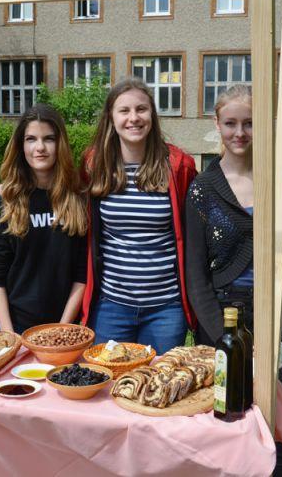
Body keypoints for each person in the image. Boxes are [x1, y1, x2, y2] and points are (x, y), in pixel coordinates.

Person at [184, 85, 282, 476]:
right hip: (222, 323)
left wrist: (281, 332)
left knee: (277, 427)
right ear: (216, 124)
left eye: (250, 123)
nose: (240, 132)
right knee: (224, 422)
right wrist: (224, 338)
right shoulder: (203, 190)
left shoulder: (281, 185)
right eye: (232, 123)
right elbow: (196, 275)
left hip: (272, 322)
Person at [81, 78, 198, 355]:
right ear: (111, 116)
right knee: (107, 384)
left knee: (160, 387)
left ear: (152, 115)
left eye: (141, 109)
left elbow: (197, 221)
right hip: (111, 306)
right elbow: (62, 197)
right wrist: (12, 190)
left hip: (166, 309)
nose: (134, 118)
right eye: (124, 111)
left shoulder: (178, 166)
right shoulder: (94, 164)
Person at [0, 104, 87, 334]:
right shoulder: (7, 201)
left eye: (48, 139)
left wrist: (62, 329)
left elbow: (82, 274)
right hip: (12, 326)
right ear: (21, 146)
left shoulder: (77, 199)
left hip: (63, 328)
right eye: (31, 139)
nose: (40, 147)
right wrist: (9, 335)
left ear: (60, 144)